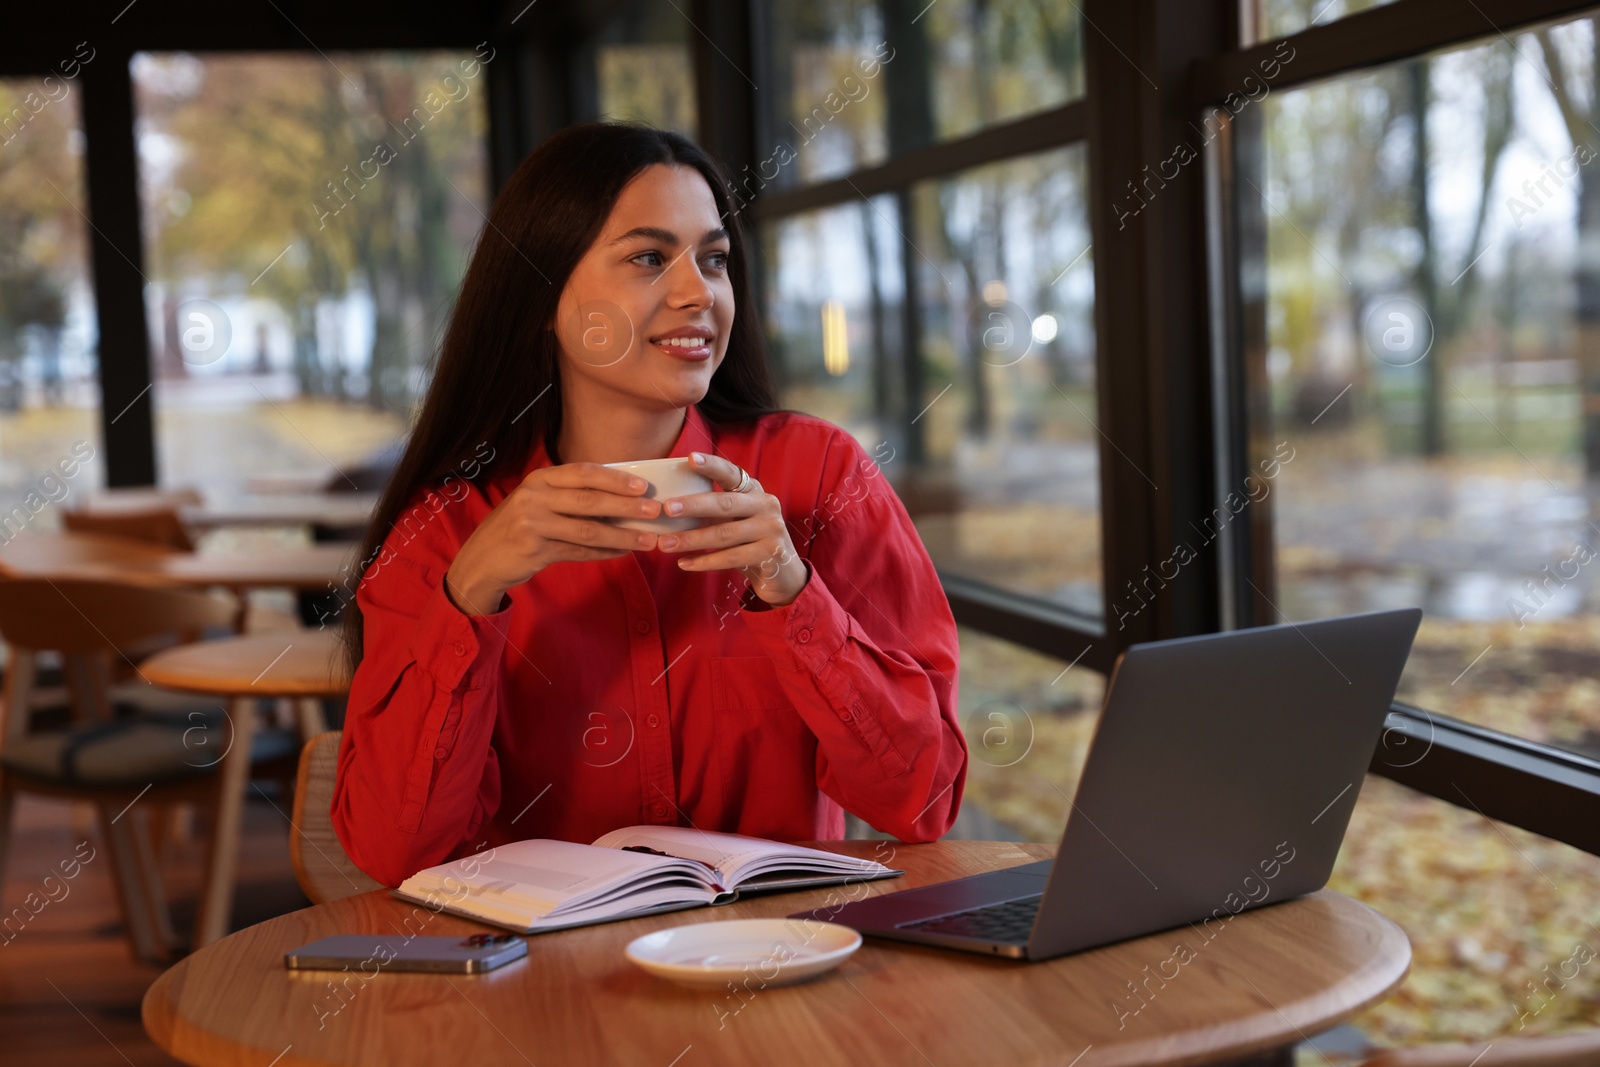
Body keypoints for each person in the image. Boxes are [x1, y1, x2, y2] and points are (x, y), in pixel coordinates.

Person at [332, 122, 966, 887]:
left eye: (714, 260)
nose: (699, 291)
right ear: (541, 290)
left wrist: (794, 593)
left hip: (775, 971)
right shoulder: (447, 531)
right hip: (547, 988)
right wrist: (470, 591)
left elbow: (922, 800)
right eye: (648, 257)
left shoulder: (818, 475)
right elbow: (395, 853)